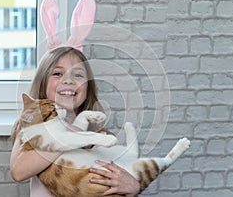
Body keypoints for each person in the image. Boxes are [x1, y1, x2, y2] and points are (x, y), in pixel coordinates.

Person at [10, 46, 141, 196]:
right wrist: (74, 133)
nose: (68, 80)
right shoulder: (32, 130)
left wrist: (133, 187)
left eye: (78, 75)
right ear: (43, 83)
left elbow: (113, 183)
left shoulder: (100, 138)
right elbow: (18, 172)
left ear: (87, 87)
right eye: (57, 73)